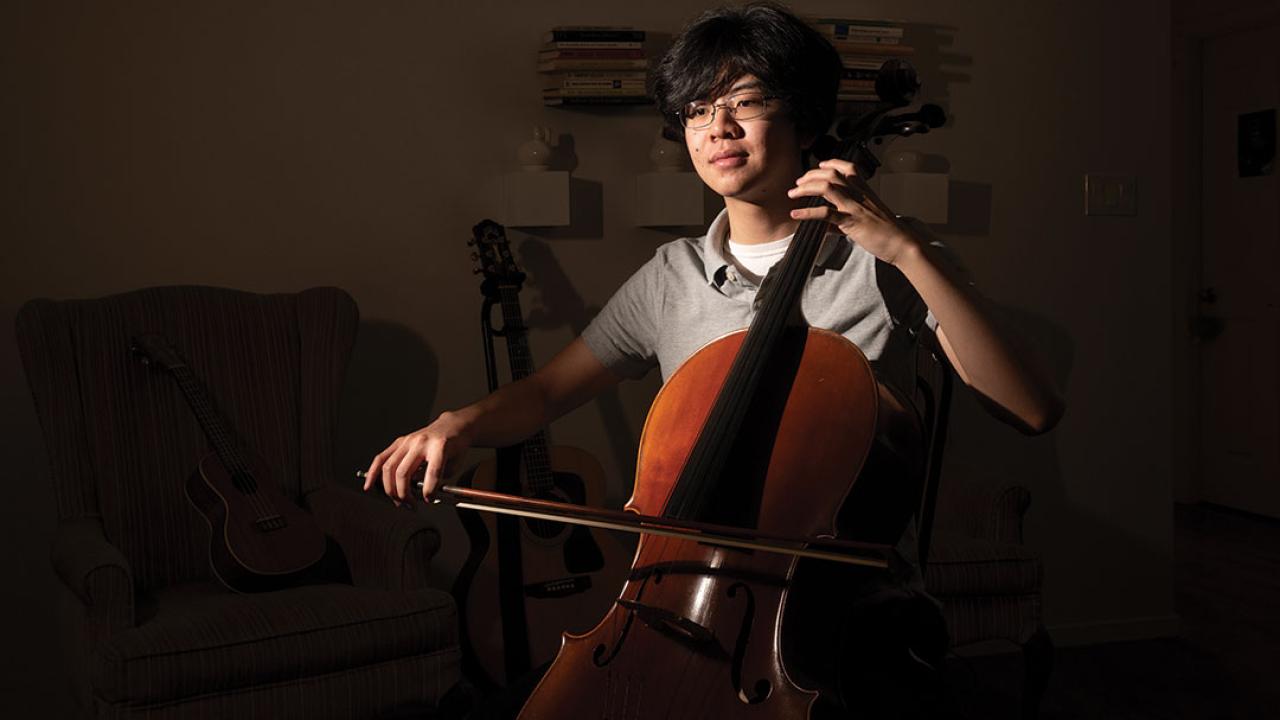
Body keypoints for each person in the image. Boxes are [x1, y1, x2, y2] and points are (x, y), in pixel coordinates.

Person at [366, 2, 1063, 716]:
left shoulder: (884, 265)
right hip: (676, 598)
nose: (717, 128)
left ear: (804, 118)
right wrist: (461, 422)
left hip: (844, 615)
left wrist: (907, 250)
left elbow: (1031, 408)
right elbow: (546, 394)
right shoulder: (672, 276)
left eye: (747, 102)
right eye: (697, 110)